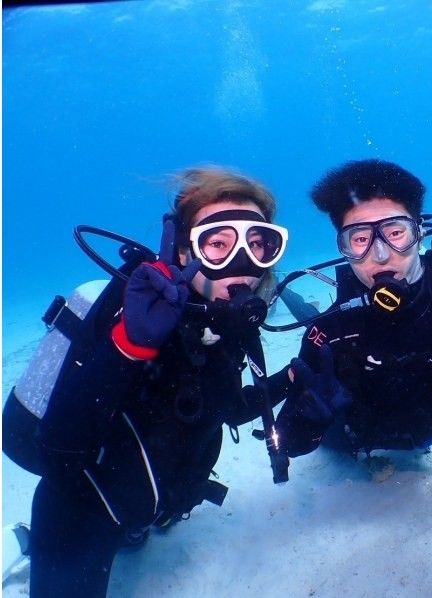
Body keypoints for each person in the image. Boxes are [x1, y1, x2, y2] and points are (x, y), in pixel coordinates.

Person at [2, 166, 289, 597]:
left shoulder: (225, 325)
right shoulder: (129, 311)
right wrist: (127, 348)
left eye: (259, 244)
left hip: (154, 502)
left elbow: (225, 407)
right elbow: (57, 456)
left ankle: (136, 530)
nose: (242, 264)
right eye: (217, 244)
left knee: (135, 530)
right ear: (180, 252)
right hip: (82, 507)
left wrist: (292, 377)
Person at [272, 159, 432, 464]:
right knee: (311, 319)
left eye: (395, 233)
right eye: (360, 239)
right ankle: (301, 305)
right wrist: (311, 416)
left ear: (420, 232)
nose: (380, 254)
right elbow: (286, 445)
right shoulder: (334, 329)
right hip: (353, 438)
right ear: (344, 249)